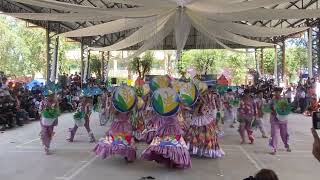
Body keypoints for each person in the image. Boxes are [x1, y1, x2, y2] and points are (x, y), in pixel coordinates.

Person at [269, 87, 291, 155]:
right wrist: (272, 111)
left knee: (284, 134)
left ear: (280, 92)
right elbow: (268, 108)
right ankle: (274, 148)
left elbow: (287, 109)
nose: (276, 93)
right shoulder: (272, 100)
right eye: (275, 92)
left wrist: (282, 111)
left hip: (283, 119)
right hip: (274, 119)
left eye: (278, 92)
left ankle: (286, 145)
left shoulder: (284, 100)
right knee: (274, 133)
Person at [40, 90, 59, 155]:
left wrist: (55, 114)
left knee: (49, 133)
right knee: (44, 132)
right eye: (48, 96)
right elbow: (40, 110)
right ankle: (46, 146)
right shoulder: (43, 102)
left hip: (51, 120)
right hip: (44, 119)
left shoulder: (55, 102)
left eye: (51, 96)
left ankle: (47, 146)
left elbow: (57, 111)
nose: (49, 97)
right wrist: (42, 112)